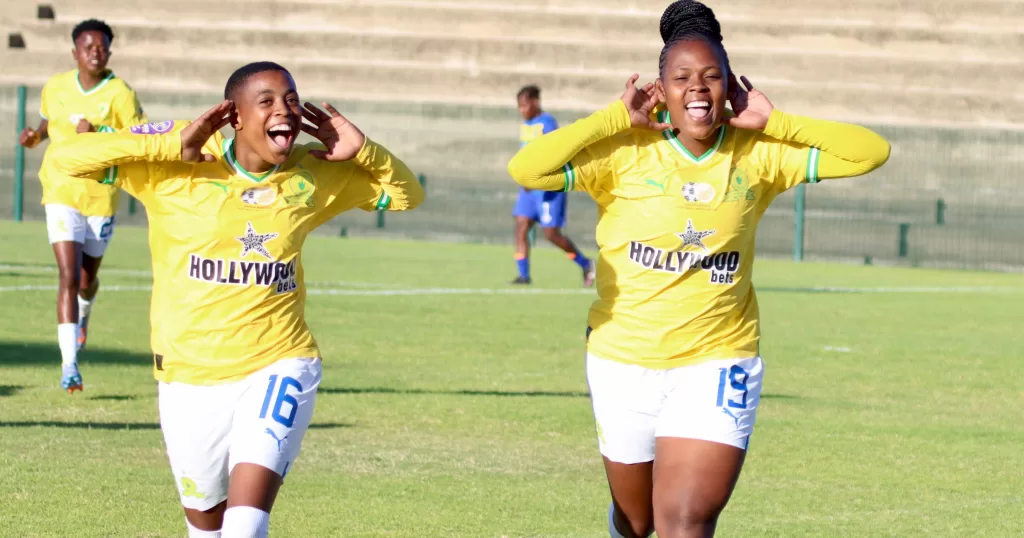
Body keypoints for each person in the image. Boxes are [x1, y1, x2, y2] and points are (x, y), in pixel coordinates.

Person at [507, 2, 890, 536]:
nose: (698, 89)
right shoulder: (624, 151)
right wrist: (616, 116)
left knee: (684, 521)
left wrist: (775, 120)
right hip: (622, 362)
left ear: (730, 86)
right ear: (658, 89)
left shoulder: (758, 153)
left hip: (717, 361)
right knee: (637, 522)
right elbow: (526, 168)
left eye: (712, 77)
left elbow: (870, 152)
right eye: (681, 77)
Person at [49, 61, 425, 538]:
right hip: (188, 376)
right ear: (236, 117)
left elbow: (407, 194)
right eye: (266, 100)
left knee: (244, 527)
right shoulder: (174, 166)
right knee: (206, 529)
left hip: (279, 363)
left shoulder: (314, 172)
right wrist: (168, 143)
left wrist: (365, 151)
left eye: (290, 98)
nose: (283, 109)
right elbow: (65, 158)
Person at [17, 18, 147, 393]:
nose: (95, 52)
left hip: (100, 196)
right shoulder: (56, 86)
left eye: (102, 46)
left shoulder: (120, 93)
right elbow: (47, 123)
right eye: (88, 46)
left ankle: (84, 312)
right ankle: (69, 366)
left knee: (86, 281)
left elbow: (137, 138)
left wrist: (101, 133)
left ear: (109, 51)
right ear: (75, 52)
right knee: (68, 276)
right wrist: (34, 136)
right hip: (59, 191)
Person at [511, 85, 595, 286]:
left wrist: (543, 178)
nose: (521, 110)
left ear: (535, 102)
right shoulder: (525, 125)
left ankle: (585, 264)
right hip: (528, 190)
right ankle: (524, 276)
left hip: (547, 189)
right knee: (521, 226)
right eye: (519, 106)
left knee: (552, 235)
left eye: (524, 105)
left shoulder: (547, 123)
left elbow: (556, 152)